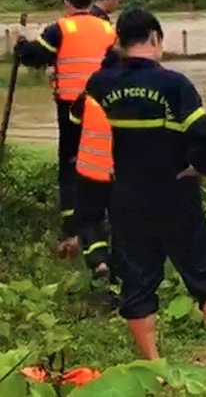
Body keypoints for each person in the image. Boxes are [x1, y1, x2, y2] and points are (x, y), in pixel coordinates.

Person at [79, 6, 206, 382]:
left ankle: (153, 368)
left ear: (119, 42)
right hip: (174, 194)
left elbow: (82, 124)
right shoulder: (174, 84)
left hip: (125, 199)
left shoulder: (100, 85)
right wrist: (199, 169)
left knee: (137, 281)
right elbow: (203, 136)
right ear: (155, 39)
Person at [14, 0, 117, 257]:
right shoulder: (108, 28)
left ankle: (72, 227)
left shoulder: (61, 28)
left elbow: (35, 57)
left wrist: (22, 45)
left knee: (71, 162)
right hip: (106, 105)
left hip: (71, 106)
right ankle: (105, 220)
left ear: (67, 4)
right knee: (103, 159)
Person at [70, 47, 121, 308]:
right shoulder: (130, 96)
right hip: (121, 174)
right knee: (122, 225)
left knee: (89, 222)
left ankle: (99, 262)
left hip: (90, 170)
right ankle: (120, 278)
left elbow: (73, 117)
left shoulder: (91, 92)